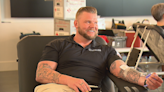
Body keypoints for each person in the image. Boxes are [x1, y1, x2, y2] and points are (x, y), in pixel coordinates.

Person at [34, 6, 163, 92]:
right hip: (60, 87)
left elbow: (123, 70)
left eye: (95, 23)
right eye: (88, 22)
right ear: (76, 24)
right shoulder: (58, 44)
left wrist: (145, 80)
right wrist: (69, 80)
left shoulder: (106, 50)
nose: (93, 26)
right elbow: (42, 73)